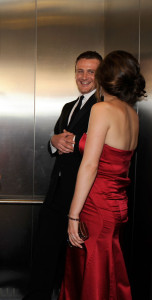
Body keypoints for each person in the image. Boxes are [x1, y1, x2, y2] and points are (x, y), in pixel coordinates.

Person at [58, 50, 146, 300]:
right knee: (106, 267)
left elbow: (90, 165)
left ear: (104, 78)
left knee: (93, 268)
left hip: (96, 205)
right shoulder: (131, 114)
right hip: (116, 204)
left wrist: (73, 215)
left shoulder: (102, 109)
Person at [23, 51, 102, 300]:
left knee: (75, 261)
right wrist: (54, 141)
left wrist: (74, 141)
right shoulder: (69, 106)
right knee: (44, 253)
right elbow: (55, 145)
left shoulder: (102, 108)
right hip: (55, 193)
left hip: (83, 196)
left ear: (101, 75)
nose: (85, 76)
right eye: (80, 70)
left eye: (91, 71)